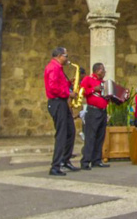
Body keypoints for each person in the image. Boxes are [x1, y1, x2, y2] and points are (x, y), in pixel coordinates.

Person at [43, 47, 79, 176]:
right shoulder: (53, 68)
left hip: (62, 103)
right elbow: (53, 88)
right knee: (62, 134)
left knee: (70, 131)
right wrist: (69, 93)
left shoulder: (58, 68)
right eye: (66, 55)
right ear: (59, 56)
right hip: (57, 102)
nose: (67, 58)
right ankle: (55, 166)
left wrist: (69, 83)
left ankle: (65, 160)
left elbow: (58, 84)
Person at [80, 63, 111, 170]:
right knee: (90, 136)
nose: (104, 73)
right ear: (97, 70)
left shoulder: (104, 83)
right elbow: (82, 92)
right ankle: (85, 161)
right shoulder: (88, 79)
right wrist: (94, 89)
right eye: (103, 71)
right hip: (93, 111)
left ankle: (97, 160)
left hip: (103, 112)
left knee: (100, 136)